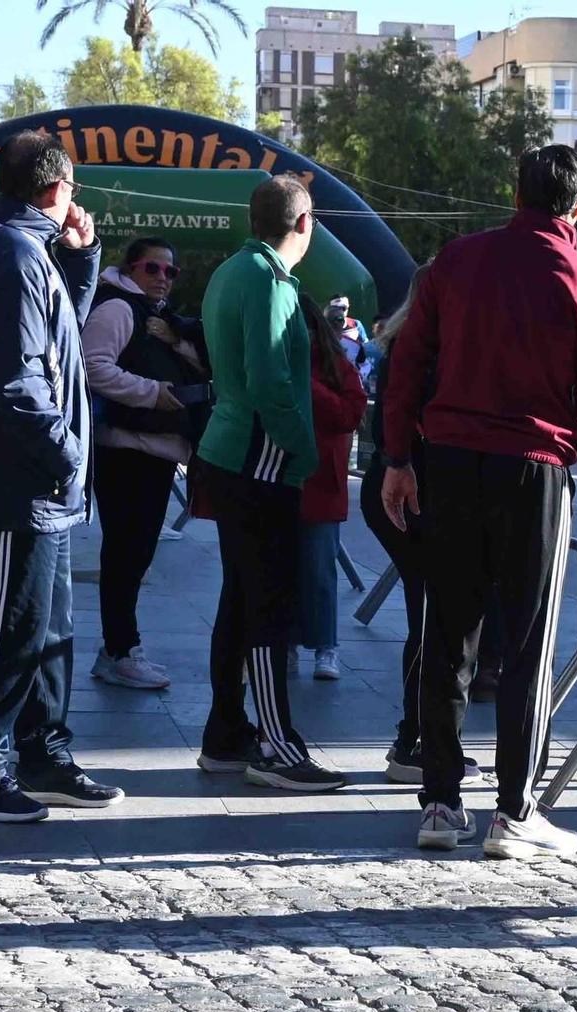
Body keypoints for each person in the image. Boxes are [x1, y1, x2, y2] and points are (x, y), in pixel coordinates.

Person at [381, 144, 577, 858]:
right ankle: (516, 810)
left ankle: (439, 801)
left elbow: (407, 365)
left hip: (451, 460)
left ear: (514, 193)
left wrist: (399, 457)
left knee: (447, 633)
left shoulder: (455, 262)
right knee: (526, 643)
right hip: (535, 468)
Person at [0, 130, 122, 821]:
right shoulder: (14, 253)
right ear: (57, 187)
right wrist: (66, 452)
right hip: (21, 480)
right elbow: (15, 382)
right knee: (10, 629)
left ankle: (41, 751)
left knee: (48, 630)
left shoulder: (25, 248)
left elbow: (63, 336)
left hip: (43, 483)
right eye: (74, 188)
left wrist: (83, 258)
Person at [193, 174, 346, 792]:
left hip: (231, 448)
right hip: (260, 454)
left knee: (240, 600)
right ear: (304, 224)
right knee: (267, 605)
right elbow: (271, 380)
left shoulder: (235, 270)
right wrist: (304, 448)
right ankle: (277, 747)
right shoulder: (270, 281)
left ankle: (227, 734)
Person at [356, 266, 482, 789]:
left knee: (430, 613)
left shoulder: (412, 336)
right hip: (411, 489)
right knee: (430, 617)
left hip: (407, 487)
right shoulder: (423, 343)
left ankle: (418, 737)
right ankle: (413, 740)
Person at [83, 235, 208, 692]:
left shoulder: (155, 318)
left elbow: (196, 365)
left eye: (169, 272)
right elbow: (92, 365)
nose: (162, 279)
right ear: (131, 269)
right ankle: (120, 649)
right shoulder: (119, 309)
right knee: (126, 553)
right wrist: (153, 392)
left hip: (154, 450)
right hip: (128, 450)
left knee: (135, 555)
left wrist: (178, 342)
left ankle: (120, 648)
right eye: (152, 269)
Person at [296, 292, 366, 682]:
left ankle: (326, 646)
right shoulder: (267, 359)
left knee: (320, 569)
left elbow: (349, 414)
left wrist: (308, 386)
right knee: (281, 566)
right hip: (282, 479)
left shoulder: (336, 364)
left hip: (321, 481)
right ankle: (286, 643)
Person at [325, 293, 371, 384]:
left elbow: (366, 349)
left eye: (343, 308)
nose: (339, 311)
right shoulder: (319, 335)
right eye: (335, 308)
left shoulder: (356, 325)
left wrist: (359, 377)